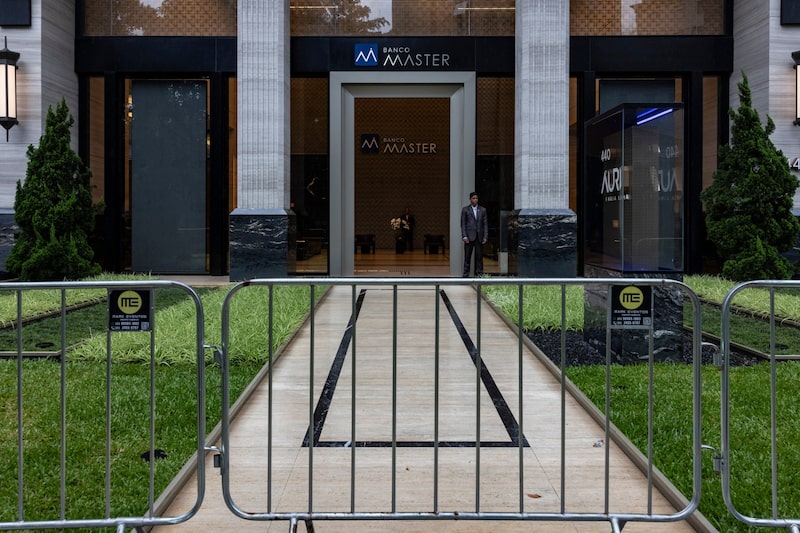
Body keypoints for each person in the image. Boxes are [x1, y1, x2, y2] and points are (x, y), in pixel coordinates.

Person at [460, 191, 488, 277]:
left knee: (479, 257)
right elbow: (463, 224)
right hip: (469, 237)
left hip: (479, 237)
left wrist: (485, 236)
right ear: (470, 199)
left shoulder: (483, 210)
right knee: (467, 257)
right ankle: (465, 275)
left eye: (476, 198)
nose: (475, 200)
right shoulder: (465, 210)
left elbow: (485, 224)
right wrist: (464, 236)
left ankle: (480, 274)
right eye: (473, 198)